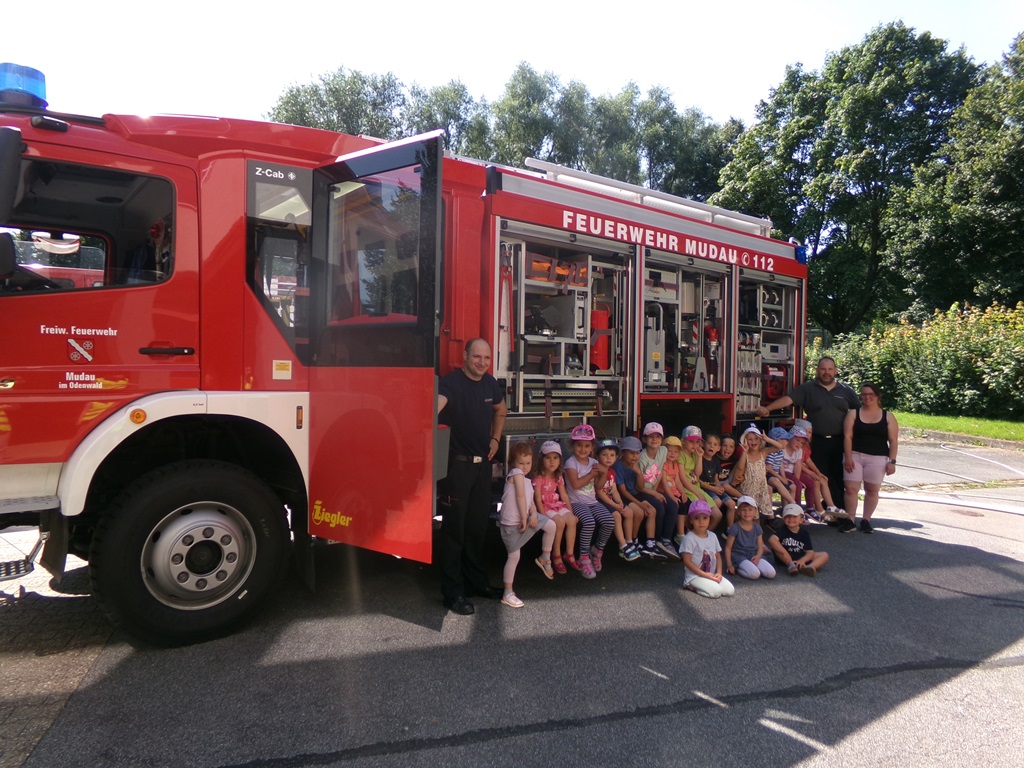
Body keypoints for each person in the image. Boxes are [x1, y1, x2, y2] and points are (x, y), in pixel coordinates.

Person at [437, 338, 507, 615]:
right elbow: (434, 407)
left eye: (486, 358)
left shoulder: (490, 383)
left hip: (482, 468)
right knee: (454, 530)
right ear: (465, 355)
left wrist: (495, 439)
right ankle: (452, 593)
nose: (482, 362)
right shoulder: (450, 384)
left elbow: (500, 410)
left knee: (478, 528)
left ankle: (477, 583)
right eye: (477, 357)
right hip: (458, 469)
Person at [757, 356, 860, 517]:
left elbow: (860, 412)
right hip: (815, 441)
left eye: (830, 369)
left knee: (838, 478)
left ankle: (837, 512)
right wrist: (768, 408)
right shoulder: (808, 388)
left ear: (836, 371)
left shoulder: (846, 391)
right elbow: (788, 399)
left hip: (839, 440)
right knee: (820, 477)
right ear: (817, 370)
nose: (826, 372)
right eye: (823, 369)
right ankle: (821, 510)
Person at [498, 443, 556, 607]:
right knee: (514, 556)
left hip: (524, 518)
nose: (524, 467)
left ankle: (545, 557)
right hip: (512, 523)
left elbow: (530, 502)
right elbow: (520, 497)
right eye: (521, 463)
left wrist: (532, 515)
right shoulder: (515, 474)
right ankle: (507, 592)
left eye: (528, 463)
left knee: (550, 525)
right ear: (513, 464)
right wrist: (525, 518)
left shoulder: (527, 481)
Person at [843, 383, 899, 534]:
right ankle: (850, 519)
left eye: (870, 394)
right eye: (864, 394)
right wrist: (848, 457)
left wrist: (892, 461)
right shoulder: (853, 413)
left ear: (877, 397)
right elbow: (848, 436)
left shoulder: (888, 416)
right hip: (855, 455)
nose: (867, 397)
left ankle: (866, 520)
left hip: (878, 458)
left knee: (872, 491)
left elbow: (893, 440)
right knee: (851, 489)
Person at [564, 423, 615, 578]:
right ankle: (584, 557)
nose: (583, 449)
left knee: (609, 521)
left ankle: (597, 551)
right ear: (573, 446)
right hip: (576, 502)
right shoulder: (570, 463)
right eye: (579, 445)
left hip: (592, 501)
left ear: (592, 447)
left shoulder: (594, 463)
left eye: (587, 446)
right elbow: (576, 484)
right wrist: (593, 475)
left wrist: (604, 473)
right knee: (589, 522)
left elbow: (598, 487)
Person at [612, 436, 662, 559]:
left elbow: (640, 486)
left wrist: (638, 473)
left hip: (635, 494)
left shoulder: (636, 464)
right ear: (623, 453)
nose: (635, 456)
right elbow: (623, 491)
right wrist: (639, 504)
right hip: (624, 497)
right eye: (631, 453)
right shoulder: (618, 466)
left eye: (637, 452)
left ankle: (650, 543)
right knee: (639, 512)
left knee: (652, 510)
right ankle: (632, 541)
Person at [635, 422, 680, 559]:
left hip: (653, 489)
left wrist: (656, 491)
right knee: (659, 508)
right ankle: (655, 540)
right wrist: (654, 494)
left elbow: (660, 472)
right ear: (644, 439)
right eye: (650, 436)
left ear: (661, 439)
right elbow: (639, 486)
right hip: (641, 492)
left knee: (672, 505)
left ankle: (666, 539)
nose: (654, 439)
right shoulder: (641, 458)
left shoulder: (663, 451)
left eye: (658, 437)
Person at [533, 441, 579, 573]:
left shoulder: (558, 476)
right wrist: (542, 516)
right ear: (542, 460)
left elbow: (563, 495)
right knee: (559, 522)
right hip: (545, 507)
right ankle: (556, 554)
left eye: (555, 458)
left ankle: (569, 553)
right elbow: (537, 498)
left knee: (570, 520)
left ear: (560, 460)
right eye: (548, 458)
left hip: (556, 504)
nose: (552, 462)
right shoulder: (539, 477)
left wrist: (571, 512)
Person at [594, 438, 641, 561]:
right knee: (617, 515)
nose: (608, 458)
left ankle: (629, 541)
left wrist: (619, 502)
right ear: (598, 456)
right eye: (604, 455)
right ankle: (623, 545)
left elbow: (614, 490)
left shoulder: (612, 472)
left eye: (612, 455)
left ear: (616, 457)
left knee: (628, 512)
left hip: (611, 500)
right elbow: (599, 492)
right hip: (601, 501)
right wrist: (615, 506)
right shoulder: (597, 471)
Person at [680, 500, 735, 598]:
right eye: (697, 518)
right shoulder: (689, 538)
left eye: (705, 518)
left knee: (730, 591)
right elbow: (687, 561)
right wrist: (704, 575)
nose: (701, 522)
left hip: (711, 574)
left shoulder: (712, 536)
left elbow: (718, 556)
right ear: (691, 520)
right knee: (716, 593)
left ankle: (709, 583)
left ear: (710, 518)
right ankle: (691, 586)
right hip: (695, 576)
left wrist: (718, 573)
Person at [768, 503, 830, 576]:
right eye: (788, 516)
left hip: (800, 556)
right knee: (775, 548)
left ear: (801, 520)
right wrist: (785, 553)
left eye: (794, 516)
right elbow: (772, 539)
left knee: (824, 555)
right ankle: (791, 565)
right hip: (785, 558)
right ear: (783, 518)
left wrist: (802, 560)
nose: (791, 519)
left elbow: (810, 552)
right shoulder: (782, 530)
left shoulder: (804, 533)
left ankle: (809, 567)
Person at [725, 495, 777, 580]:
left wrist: (758, 556)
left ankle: (752, 567)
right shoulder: (735, 528)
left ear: (755, 511)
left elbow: (760, 547)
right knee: (755, 574)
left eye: (750, 510)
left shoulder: (757, 528)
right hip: (740, 555)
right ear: (738, 512)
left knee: (771, 573)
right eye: (743, 510)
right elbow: (728, 548)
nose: (747, 513)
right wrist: (729, 565)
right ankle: (738, 568)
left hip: (754, 554)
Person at [732, 425, 776, 525]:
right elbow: (740, 467)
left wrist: (767, 438)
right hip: (748, 488)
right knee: (747, 514)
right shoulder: (746, 455)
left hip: (760, 488)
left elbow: (779, 446)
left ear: (760, 441)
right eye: (750, 439)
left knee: (756, 515)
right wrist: (744, 451)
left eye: (756, 438)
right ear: (745, 441)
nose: (753, 441)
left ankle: (757, 536)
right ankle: (740, 532)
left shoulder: (763, 452)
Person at [698, 432, 736, 529]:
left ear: (718, 448)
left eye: (715, 444)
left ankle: (730, 529)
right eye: (709, 443)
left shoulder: (715, 460)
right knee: (718, 502)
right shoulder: (700, 459)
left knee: (732, 504)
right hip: (705, 488)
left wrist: (718, 487)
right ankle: (705, 527)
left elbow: (716, 477)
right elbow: (698, 481)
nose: (712, 446)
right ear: (703, 444)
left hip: (713, 487)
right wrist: (714, 489)